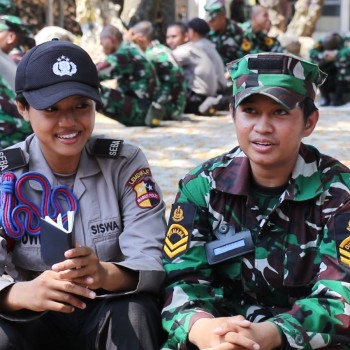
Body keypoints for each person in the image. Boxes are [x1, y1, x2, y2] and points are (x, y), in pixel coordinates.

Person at [161, 52, 350, 349]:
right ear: (233, 114)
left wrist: (268, 335)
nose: (262, 127)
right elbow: (181, 280)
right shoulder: (201, 187)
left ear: (309, 121)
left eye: (280, 112)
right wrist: (203, 330)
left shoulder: (340, 193)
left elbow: (342, 298)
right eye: (250, 111)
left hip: (305, 341)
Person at [0, 39, 166, 349]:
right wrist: (20, 294)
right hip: (32, 314)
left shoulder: (123, 163)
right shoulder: (6, 174)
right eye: (51, 109)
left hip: (106, 305)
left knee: (136, 312)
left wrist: (104, 274)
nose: (69, 122)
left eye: (81, 106)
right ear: (23, 109)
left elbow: (150, 256)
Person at [97, 24, 162, 127]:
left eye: (102, 43)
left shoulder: (124, 53)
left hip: (143, 113)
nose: (101, 47)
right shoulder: (130, 48)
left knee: (91, 90)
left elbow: (94, 74)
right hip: (147, 109)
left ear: (111, 39)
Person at [128, 20, 187, 121]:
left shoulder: (152, 54)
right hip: (177, 106)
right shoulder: (160, 49)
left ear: (138, 38)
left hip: (168, 109)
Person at [166, 22, 220, 116]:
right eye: (168, 37)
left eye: (174, 37)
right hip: (205, 95)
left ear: (186, 37)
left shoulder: (186, 50)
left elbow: (160, 61)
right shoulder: (194, 47)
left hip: (196, 98)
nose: (170, 41)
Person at [309, 32, 350, 107]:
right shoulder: (322, 41)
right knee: (317, 67)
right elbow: (312, 52)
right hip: (327, 67)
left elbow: (348, 50)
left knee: (343, 64)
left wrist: (336, 54)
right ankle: (325, 96)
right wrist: (324, 55)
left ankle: (338, 97)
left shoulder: (346, 40)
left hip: (342, 72)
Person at [204, 0, 245, 66]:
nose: (210, 23)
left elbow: (245, 59)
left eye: (212, 20)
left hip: (233, 73)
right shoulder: (206, 32)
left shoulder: (238, 31)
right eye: (208, 20)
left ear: (223, 16)